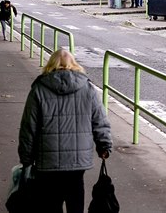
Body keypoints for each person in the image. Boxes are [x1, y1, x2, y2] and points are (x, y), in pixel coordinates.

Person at [17, 49, 112, 213]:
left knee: (50, 203)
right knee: (76, 197)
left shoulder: (39, 88)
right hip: (77, 160)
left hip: (48, 160)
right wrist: (104, 146)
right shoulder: (87, 88)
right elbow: (100, 121)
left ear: (51, 64)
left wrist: (26, 158)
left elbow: (28, 127)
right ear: (74, 64)